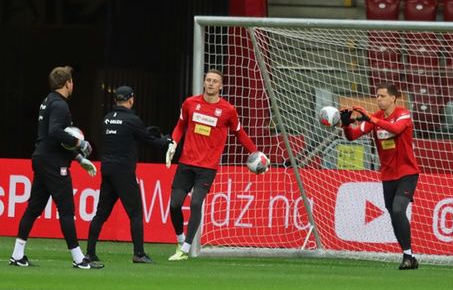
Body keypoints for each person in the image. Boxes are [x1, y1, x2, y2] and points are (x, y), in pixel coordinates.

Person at [165, 69, 267, 261]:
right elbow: (180, 125)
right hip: (186, 162)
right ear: (204, 83)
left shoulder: (228, 110)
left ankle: (185, 249)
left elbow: (240, 133)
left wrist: (255, 153)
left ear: (221, 86)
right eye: (208, 80)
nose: (211, 83)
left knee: (196, 203)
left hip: (208, 167)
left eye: (215, 81)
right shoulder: (190, 103)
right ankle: (180, 240)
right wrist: (174, 142)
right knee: (174, 204)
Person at [9, 66, 103, 269]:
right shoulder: (60, 105)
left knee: (34, 207)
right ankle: (79, 259)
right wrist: (80, 144)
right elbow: (56, 132)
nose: (73, 85)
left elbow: (55, 138)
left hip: (43, 158)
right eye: (72, 81)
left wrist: (78, 159)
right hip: (53, 163)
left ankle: (17, 254)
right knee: (67, 210)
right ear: (67, 83)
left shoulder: (47, 101)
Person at [86, 86, 172, 265]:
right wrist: (167, 140)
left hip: (107, 170)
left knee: (100, 214)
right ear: (131, 100)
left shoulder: (107, 119)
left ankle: (89, 253)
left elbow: (126, 136)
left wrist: (144, 133)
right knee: (135, 213)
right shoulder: (132, 119)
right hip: (124, 172)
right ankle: (139, 254)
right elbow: (152, 143)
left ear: (116, 99)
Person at [339, 83, 421, 270]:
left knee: (399, 209)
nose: (379, 99)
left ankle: (408, 256)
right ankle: (409, 255)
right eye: (377, 96)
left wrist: (370, 118)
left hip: (407, 172)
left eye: (382, 96)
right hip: (387, 174)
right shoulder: (375, 118)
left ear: (393, 98)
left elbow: (397, 129)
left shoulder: (403, 114)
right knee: (393, 213)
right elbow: (352, 136)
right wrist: (345, 124)